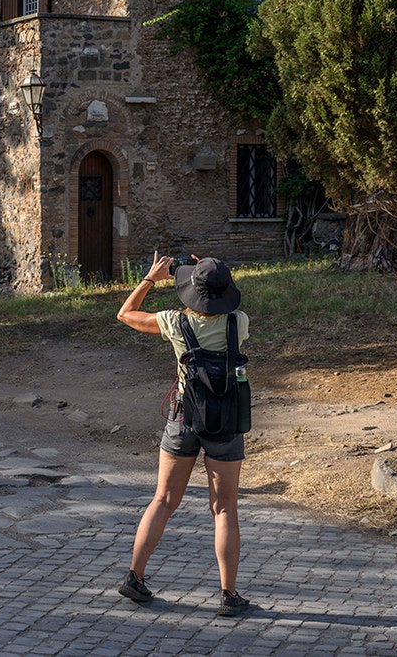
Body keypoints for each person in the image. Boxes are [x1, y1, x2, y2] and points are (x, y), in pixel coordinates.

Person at [114, 253, 252, 617]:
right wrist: (216, 267)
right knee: (224, 509)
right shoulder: (239, 322)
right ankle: (228, 593)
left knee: (163, 500)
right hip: (225, 422)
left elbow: (125, 314)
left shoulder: (174, 322)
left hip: (182, 418)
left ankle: (134, 576)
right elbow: (219, 296)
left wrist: (150, 278)